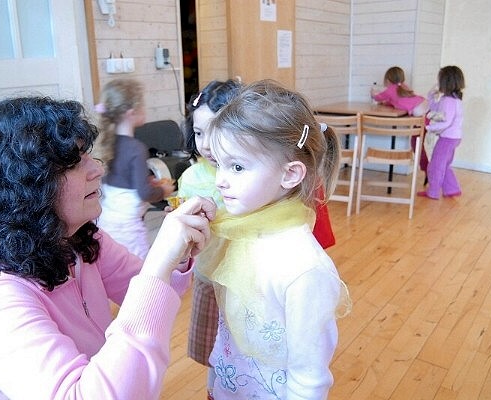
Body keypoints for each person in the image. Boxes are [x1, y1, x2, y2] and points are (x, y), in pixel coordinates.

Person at [0, 96, 216, 399]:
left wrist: (175, 254)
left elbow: (153, 289)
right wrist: (159, 259)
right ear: (27, 186)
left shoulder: (78, 239)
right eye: (74, 163)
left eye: (87, 155)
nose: (97, 169)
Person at [199, 80, 351, 399]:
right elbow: (227, 333)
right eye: (219, 165)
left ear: (290, 174)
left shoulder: (305, 269)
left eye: (237, 167)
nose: (221, 180)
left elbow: (309, 377)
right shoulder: (236, 230)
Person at [177, 79, 242, 400]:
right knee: (215, 349)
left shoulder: (251, 174)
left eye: (215, 132)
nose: (205, 144)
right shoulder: (191, 178)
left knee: (247, 348)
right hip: (209, 275)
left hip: (246, 281)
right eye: (199, 133)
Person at [95, 78, 174, 260]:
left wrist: (147, 180)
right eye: (143, 105)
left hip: (106, 221)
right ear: (131, 112)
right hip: (128, 227)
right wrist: (164, 190)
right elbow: (144, 193)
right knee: (137, 267)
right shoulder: (136, 148)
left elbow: (123, 180)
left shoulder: (107, 143)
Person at [371, 66, 430, 180]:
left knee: (417, 145)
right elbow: (395, 101)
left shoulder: (390, 90)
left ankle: (428, 169)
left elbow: (378, 97)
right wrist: (386, 103)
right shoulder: (403, 87)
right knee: (418, 144)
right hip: (426, 110)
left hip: (421, 116)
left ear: (388, 80)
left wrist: (373, 93)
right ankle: (427, 169)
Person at [417, 65, 466, 200]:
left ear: (445, 82)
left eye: (439, 80)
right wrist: (431, 94)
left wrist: (428, 127)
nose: (437, 82)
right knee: (444, 164)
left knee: (436, 165)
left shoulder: (449, 101)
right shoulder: (452, 99)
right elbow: (435, 108)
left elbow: (446, 121)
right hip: (453, 138)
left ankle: (433, 192)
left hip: (447, 139)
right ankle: (451, 189)